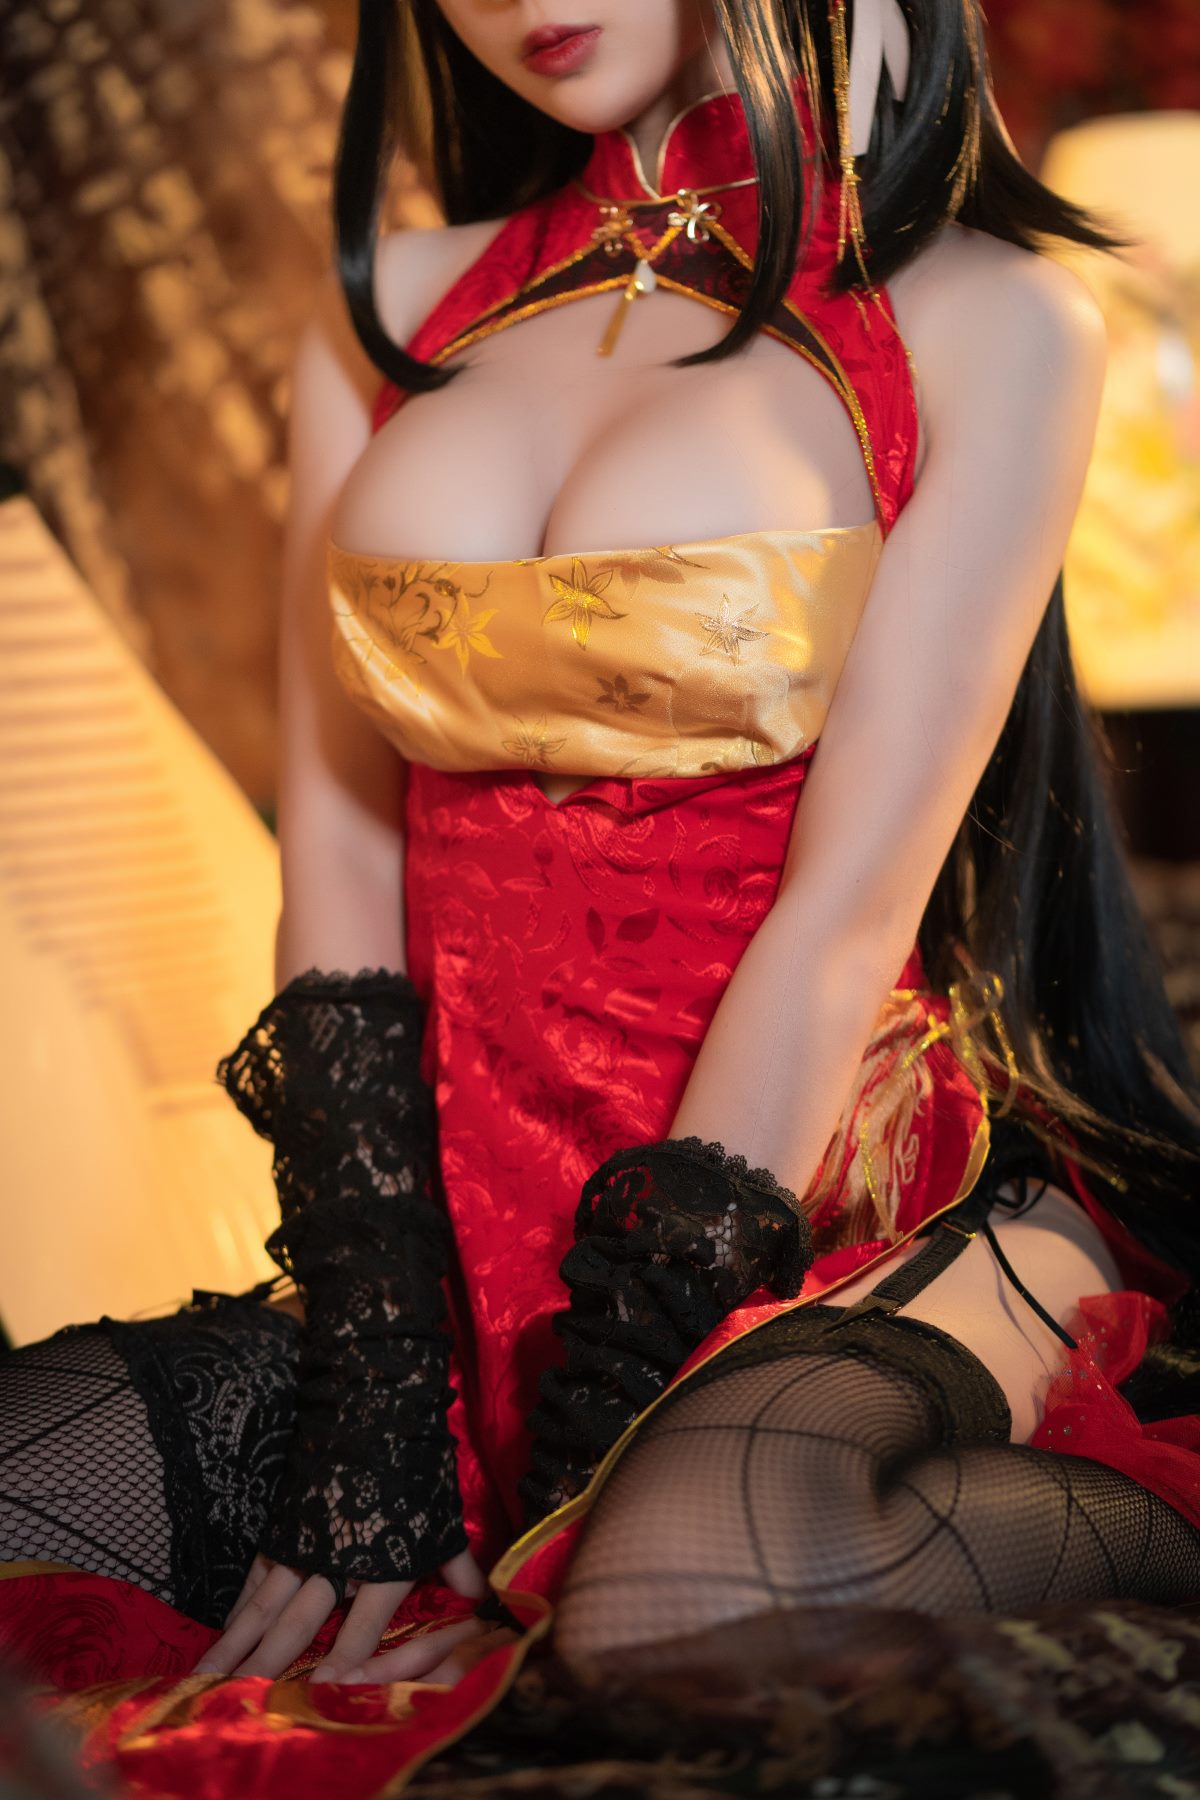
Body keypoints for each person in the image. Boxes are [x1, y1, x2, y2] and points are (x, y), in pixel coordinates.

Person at [4, 0, 1200, 1767]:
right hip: (460, 1215)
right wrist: (379, 1376)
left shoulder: (985, 313)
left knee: (666, 1603)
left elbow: (845, 915)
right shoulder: (398, 305)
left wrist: (601, 1430)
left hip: (836, 1190)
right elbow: (338, 846)